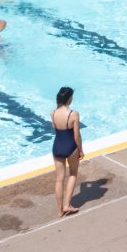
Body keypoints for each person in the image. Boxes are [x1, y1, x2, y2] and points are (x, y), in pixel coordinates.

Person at [50, 87, 82, 217]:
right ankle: (67, 205)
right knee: (73, 174)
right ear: (69, 98)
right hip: (71, 147)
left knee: (59, 179)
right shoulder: (73, 114)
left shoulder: (53, 113)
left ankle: (59, 210)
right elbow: (76, 136)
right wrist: (80, 149)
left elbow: (55, 128)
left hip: (57, 146)